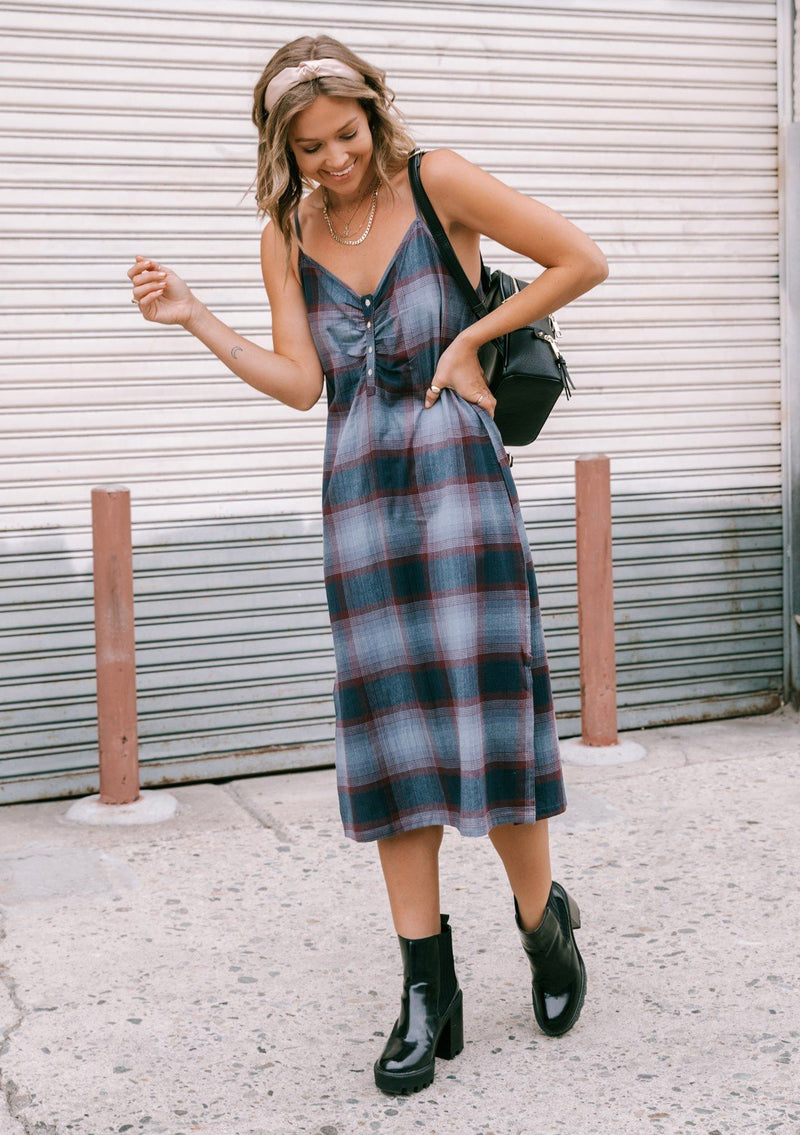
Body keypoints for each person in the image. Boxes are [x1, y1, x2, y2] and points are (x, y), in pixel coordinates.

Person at [126, 34, 608, 1097]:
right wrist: (194, 318)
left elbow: (581, 257)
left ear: (373, 113)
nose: (334, 159)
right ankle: (425, 991)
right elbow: (303, 384)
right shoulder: (287, 232)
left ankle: (541, 925)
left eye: (346, 135)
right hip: (361, 507)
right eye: (310, 147)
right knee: (392, 745)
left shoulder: (438, 180)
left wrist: (470, 338)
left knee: (488, 722)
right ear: (281, 147)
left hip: (463, 494)